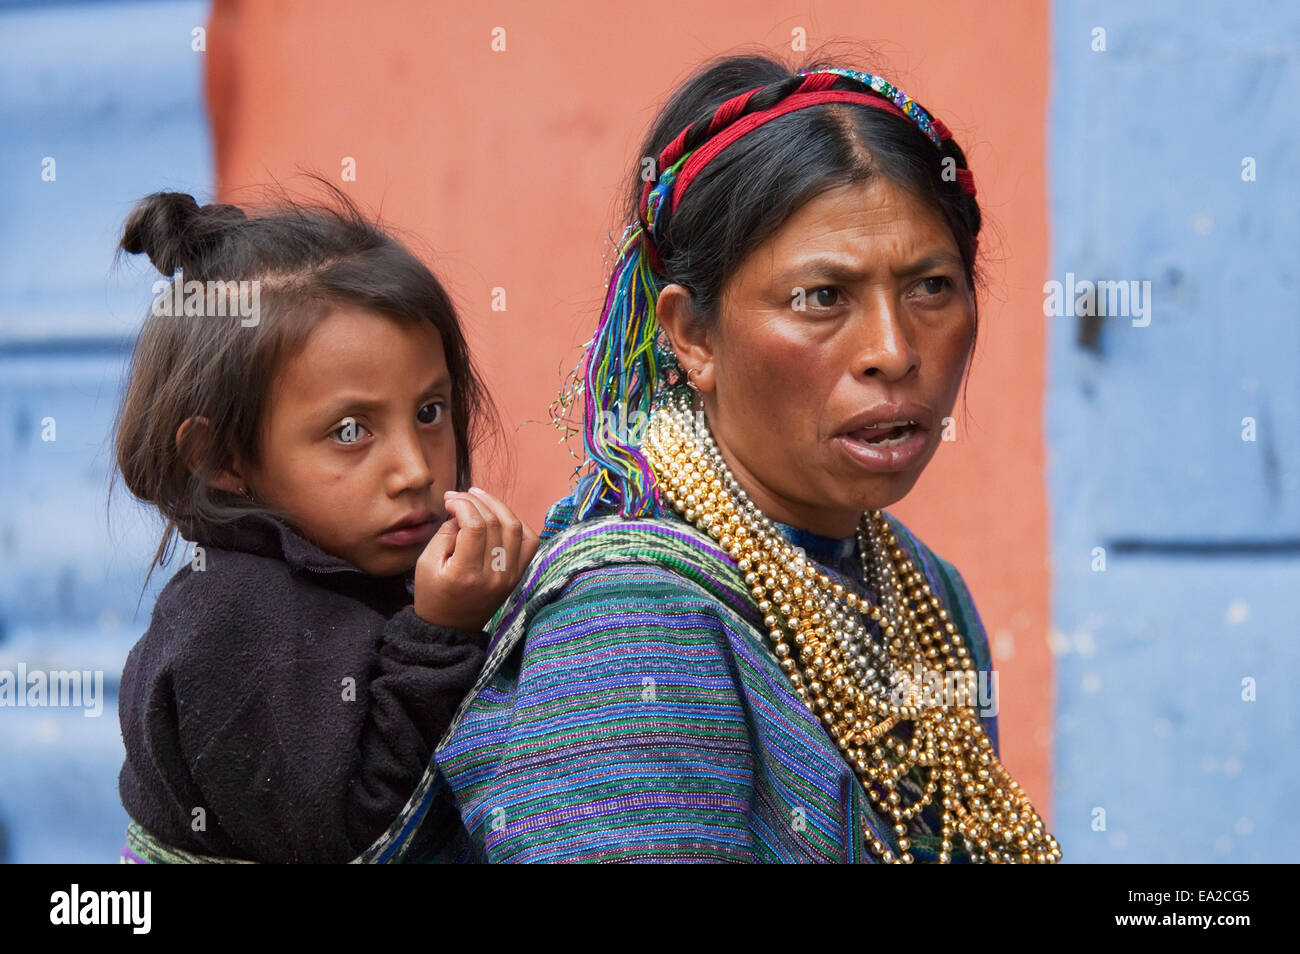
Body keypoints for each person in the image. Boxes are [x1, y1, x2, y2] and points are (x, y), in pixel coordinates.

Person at [369, 52, 1061, 864]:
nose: (893, 349)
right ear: (692, 335)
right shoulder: (632, 621)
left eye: (931, 287)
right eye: (822, 297)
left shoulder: (926, 598)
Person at [110, 188, 538, 863]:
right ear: (223, 457)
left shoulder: (374, 568)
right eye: (349, 431)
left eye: (430, 413)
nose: (413, 469)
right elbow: (347, 834)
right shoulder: (231, 621)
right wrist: (440, 634)